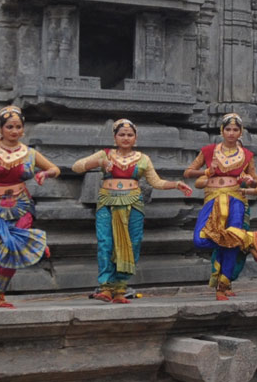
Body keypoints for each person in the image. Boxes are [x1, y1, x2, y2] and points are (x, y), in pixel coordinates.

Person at [72, 118, 193, 303]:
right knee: (106, 243)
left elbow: (156, 182)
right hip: (108, 202)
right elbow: (76, 166)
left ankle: (120, 288)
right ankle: (106, 286)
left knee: (132, 243)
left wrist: (175, 184)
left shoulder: (143, 159)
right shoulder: (105, 155)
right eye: (122, 134)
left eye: (130, 135)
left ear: (135, 138)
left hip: (133, 204)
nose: (126, 138)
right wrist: (98, 164)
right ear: (115, 137)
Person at [0, 105, 60, 308]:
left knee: (12, 249)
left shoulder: (29, 154)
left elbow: (54, 168)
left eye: (18, 127)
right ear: (1, 129)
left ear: (23, 129)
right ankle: (34, 243)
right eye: (9, 127)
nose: (14, 131)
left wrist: (44, 174)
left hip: (21, 205)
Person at [185, 112, 257, 300]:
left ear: (241, 132)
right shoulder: (208, 151)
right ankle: (246, 238)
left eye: (235, 130)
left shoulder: (246, 155)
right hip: (212, 199)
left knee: (230, 244)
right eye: (228, 129)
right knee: (200, 239)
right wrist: (207, 171)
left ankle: (223, 285)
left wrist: (248, 182)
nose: (231, 133)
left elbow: (256, 183)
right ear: (222, 130)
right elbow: (188, 172)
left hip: (236, 200)